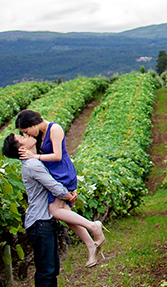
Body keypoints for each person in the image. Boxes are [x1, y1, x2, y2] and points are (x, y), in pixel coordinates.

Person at [15, 110, 106, 267]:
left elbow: (57, 155)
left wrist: (34, 157)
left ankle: (93, 226)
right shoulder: (38, 135)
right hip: (54, 174)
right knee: (67, 216)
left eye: (26, 131)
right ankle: (91, 247)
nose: (27, 135)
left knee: (55, 211)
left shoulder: (54, 128)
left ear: (32, 124)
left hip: (62, 172)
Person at [2, 131, 77, 287]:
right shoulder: (32, 164)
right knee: (46, 271)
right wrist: (69, 196)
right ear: (21, 148)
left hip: (43, 222)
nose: (27, 135)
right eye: (22, 137)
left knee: (51, 269)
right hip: (40, 222)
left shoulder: (35, 161)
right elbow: (54, 186)